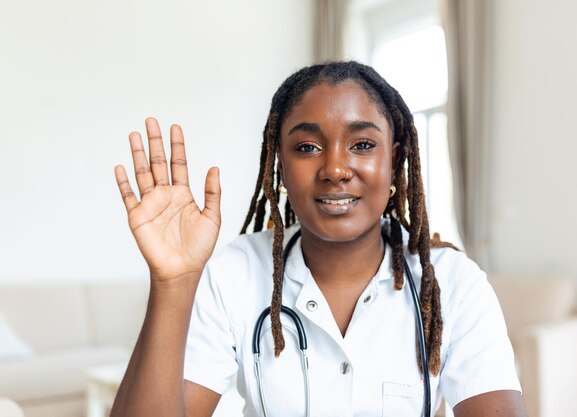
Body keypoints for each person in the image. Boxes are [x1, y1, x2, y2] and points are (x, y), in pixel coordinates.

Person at [111, 61, 526, 417]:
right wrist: (174, 281)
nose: (335, 168)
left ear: (395, 160)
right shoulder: (234, 275)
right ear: (281, 167)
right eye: (307, 147)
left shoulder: (455, 283)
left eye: (362, 144)